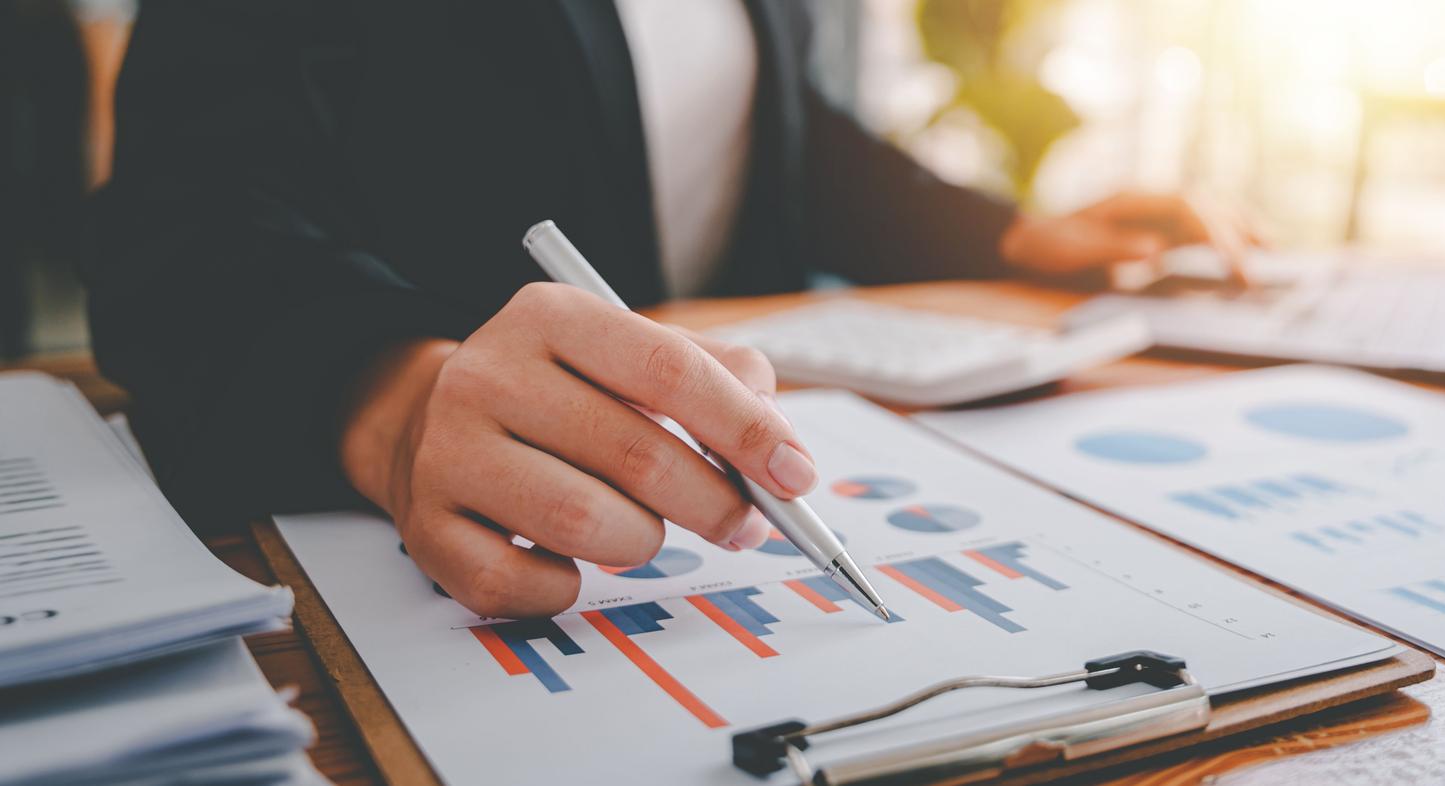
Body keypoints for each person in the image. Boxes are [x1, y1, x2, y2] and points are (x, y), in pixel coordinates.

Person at [86, 0, 1235, 619]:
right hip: (426, 490)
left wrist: (1009, 234)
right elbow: (178, 226)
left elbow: (784, 141)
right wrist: (389, 397)